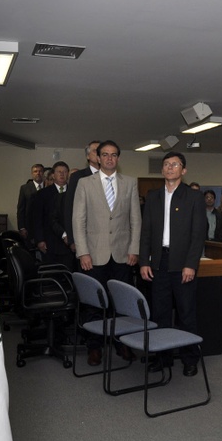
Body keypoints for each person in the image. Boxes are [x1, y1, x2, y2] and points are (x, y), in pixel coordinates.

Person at [73, 140, 141, 366]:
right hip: (93, 255)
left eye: (114, 154)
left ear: (118, 159)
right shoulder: (84, 183)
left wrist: (134, 248)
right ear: (98, 158)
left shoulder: (130, 183)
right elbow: (78, 220)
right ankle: (94, 347)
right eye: (105, 154)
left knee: (122, 304)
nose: (110, 158)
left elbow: (135, 219)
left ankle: (122, 343)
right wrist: (83, 252)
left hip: (122, 255)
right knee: (94, 304)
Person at [139, 152, 207, 377]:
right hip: (158, 263)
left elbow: (198, 234)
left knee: (186, 314)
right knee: (160, 314)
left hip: (183, 263)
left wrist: (191, 264)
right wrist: (143, 261)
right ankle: (163, 358)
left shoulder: (194, 197)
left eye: (175, 164)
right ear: (162, 170)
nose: (170, 168)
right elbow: (146, 232)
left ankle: (190, 359)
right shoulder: (153, 196)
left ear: (183, 170)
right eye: (166, 164)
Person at [33, 161, 76, 270]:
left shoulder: (75, 192)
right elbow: (37, 218)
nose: (62, 174)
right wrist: (40, 240)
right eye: (59, 172)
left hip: (70, 243)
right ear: (53, 175)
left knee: (69, 274)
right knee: (52, 272)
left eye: (65, 172)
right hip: (49, 242)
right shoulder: (42, 194)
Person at [65, 140, 101, 255]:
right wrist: (72, 239)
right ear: (87, 156)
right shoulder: (78, 177)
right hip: (85, 238)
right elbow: (69, 207)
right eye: (96, 151)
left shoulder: (111, 176)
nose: (100, 153)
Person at [16, 163, 44, 246]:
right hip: (29, 227)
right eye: (35, 171)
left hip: (45, 227)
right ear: (32, 174)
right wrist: (22, 227)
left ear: (43, 173)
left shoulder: (48, 186)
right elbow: (21, 209)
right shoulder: (25, 188)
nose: (38, 173)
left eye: (40, 171)